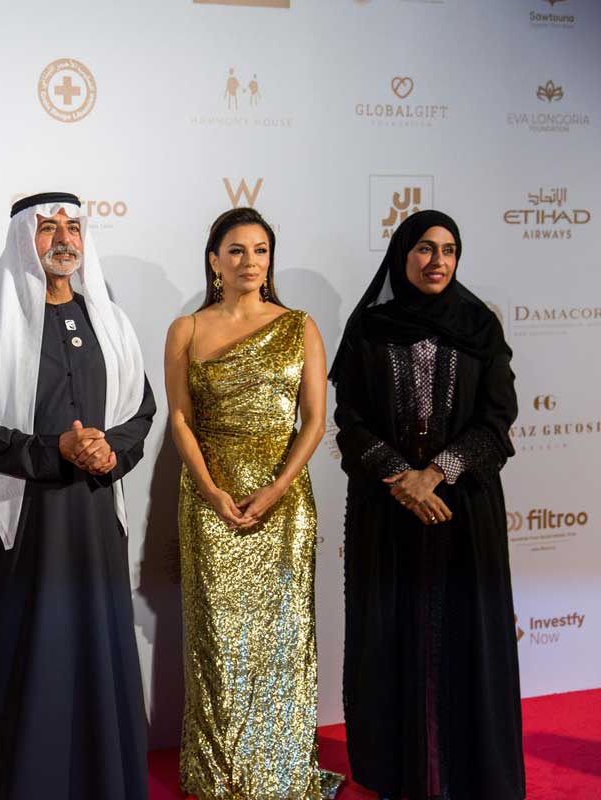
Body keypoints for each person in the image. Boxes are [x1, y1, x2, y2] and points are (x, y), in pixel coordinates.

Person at [0, 192, 156, 800]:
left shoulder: (110, 322)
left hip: (94, 517)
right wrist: (53, 451)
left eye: (72, 227)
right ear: (24, 240)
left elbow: (141, 411)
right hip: (25, 526)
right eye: (47, 228)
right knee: (30, 654)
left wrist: (109, 452)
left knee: (97, 651)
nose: (63, 238)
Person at [331, 210, 523, 800]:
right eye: (424, 249)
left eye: (449, 250)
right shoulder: (370, 327)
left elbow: (497, 420)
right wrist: (401, 477)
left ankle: (468, 774)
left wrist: (436, 474)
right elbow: (350, 421)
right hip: (386, 511)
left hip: (462, 510)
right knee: (390, 634)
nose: (438, 261)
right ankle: (396, 771)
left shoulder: (479, 325)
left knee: (464, 635)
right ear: (401, 255)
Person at [164, 207, 340, 798]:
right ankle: (220, 778)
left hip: (283, 503)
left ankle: (281, 773)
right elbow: (181, 420)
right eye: (236, 250)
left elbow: (314, 421)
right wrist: (211, 490)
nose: (250, 262)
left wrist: (277, 487)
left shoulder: (299, 326)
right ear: (214, 261)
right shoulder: (186, 329)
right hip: (209, 500)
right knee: (216, 644)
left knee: (283, 640)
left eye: (260, 250)